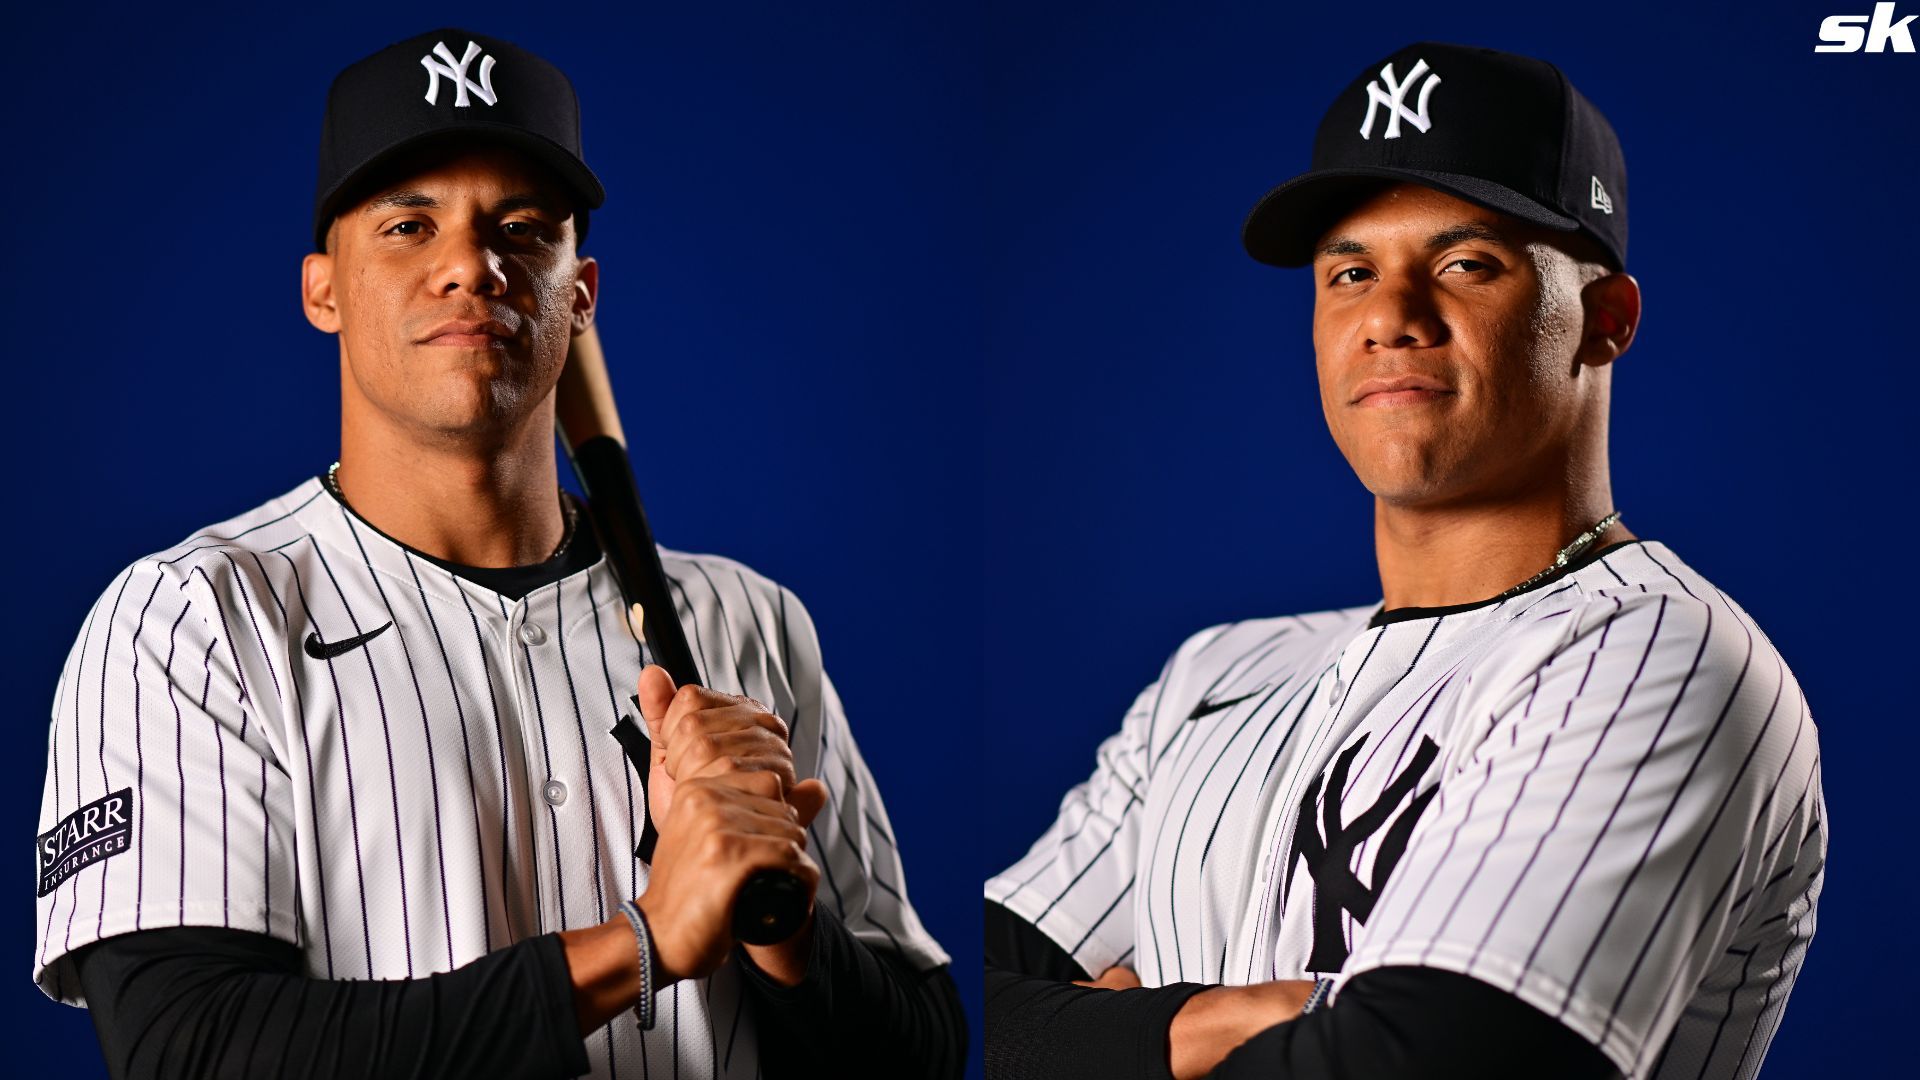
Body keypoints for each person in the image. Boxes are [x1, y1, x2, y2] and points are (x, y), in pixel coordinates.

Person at [31, 27, 964, 1079]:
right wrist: (647, 942)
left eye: (520, 229)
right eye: (408, 226)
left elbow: (921, 1050)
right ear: (321, 289)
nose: (471, 265)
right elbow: (190, 1053)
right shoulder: (194, 621)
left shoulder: (746, 622)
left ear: (581, 291)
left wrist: (780, 924)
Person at [984, 41, 1823, 1080]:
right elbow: (955, 1013)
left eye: (1467, 264)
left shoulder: (1659, 654)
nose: (1390, 318)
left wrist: (1090, 1044)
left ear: (1603, 321)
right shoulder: (1219, 675)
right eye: (1350, 273)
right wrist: (1179, 1034)